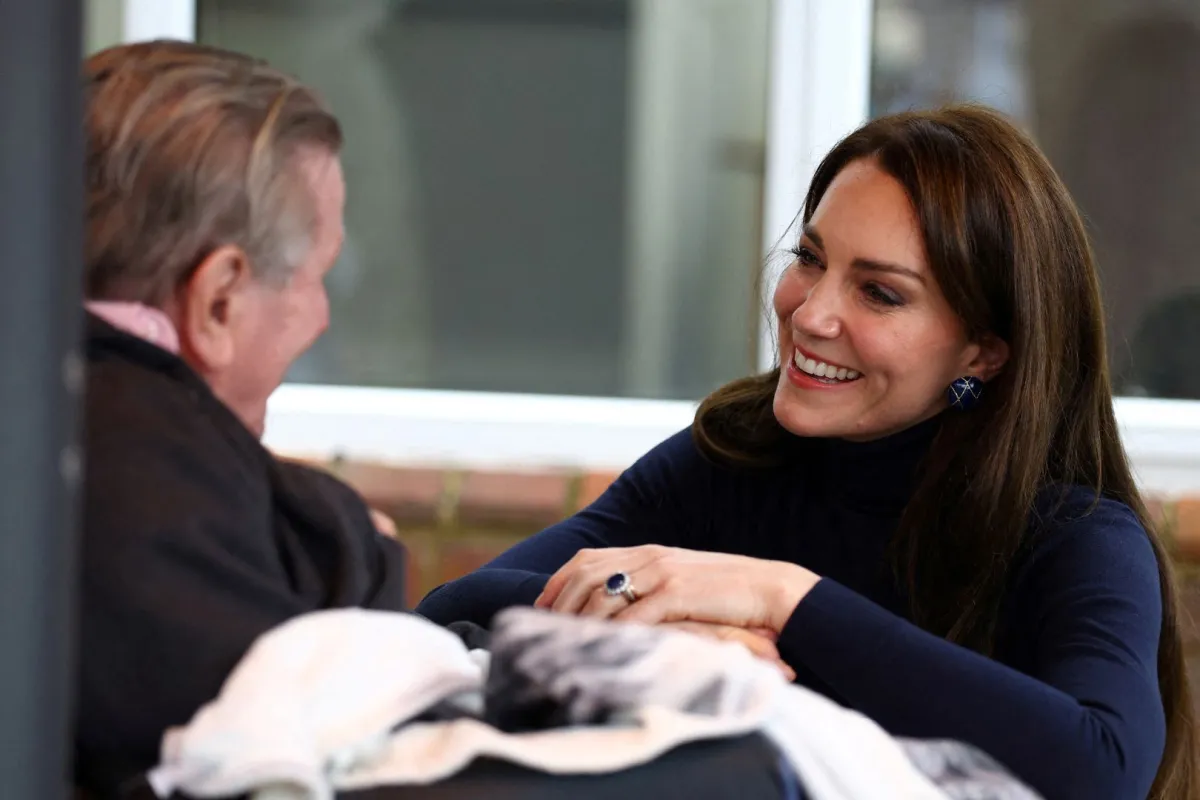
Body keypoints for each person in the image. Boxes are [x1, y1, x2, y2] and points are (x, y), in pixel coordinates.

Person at [416, 105, 1197, 800]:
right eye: (811, 259)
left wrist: (784, 599)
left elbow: (1104, 768)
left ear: (982, 354)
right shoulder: (734, 457)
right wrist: (657, 630)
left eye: (880, 292)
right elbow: (451, 610)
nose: (810, 313)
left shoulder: (1077, 536)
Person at [77, 41, 409, 797]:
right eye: (318, 277)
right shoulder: (141, 473)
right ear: (219, 299)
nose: (323, 319)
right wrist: (362, 545)